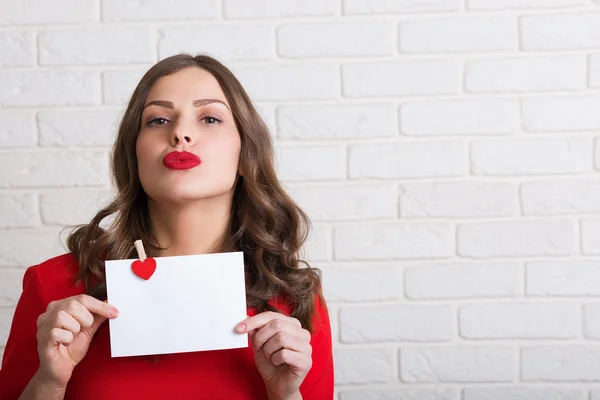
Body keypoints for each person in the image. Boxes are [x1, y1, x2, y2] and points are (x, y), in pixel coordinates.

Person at [0, 54, 333, 400]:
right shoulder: (54, 289)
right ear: (134, 155)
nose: (181, 133)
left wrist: (286, 395)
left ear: (246, 155)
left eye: (210, 118)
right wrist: (49, 383)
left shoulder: (296, 300)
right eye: (158, 119)